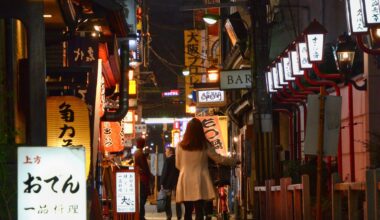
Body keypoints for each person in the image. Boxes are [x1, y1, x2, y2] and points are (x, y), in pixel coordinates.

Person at [175, 118, 238, 220]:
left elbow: (178, 165)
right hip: (200, 179)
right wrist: (234, 161)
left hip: (184, 180)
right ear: (200, 130)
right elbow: (219, 159)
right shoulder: (204, 145)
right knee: (199, 209)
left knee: (187, 210)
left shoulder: (180, 146)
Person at [160, 147, 182, 220]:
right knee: (178, 200)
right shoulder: (178, 160)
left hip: (168, 184)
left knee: (167, 200)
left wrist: (162, 182)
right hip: (177, 183)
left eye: (166, 151)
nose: (165, 153)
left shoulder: (168, 160)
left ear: (170, 151)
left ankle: (169, 216)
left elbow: (165, 172)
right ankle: (179, 215)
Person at [134, 137, 152, 220]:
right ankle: (141, 216)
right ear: (143, 144)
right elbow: (145, 168)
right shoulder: (140, 154)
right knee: (142, 197)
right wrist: (150, 175)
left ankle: (141, 215)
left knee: (142, 197)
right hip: (143, 178)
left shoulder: (137, 153)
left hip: (140, 178)